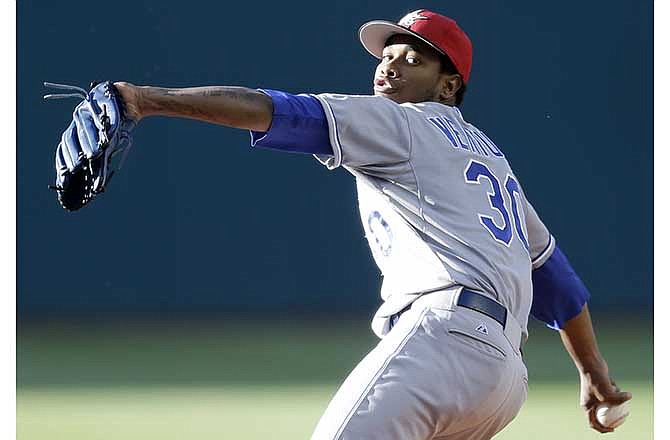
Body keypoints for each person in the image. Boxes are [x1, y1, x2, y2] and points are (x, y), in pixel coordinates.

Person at [111, 9, 631, 440]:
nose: (391, 66)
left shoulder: (403, 121)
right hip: (503, 381)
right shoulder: (492, 159)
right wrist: (592, 371)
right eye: (386, 56)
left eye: (414, 58)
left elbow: (281, 112)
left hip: (443, 345)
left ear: (448, 85)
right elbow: (553, 278)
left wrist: (146, 100)